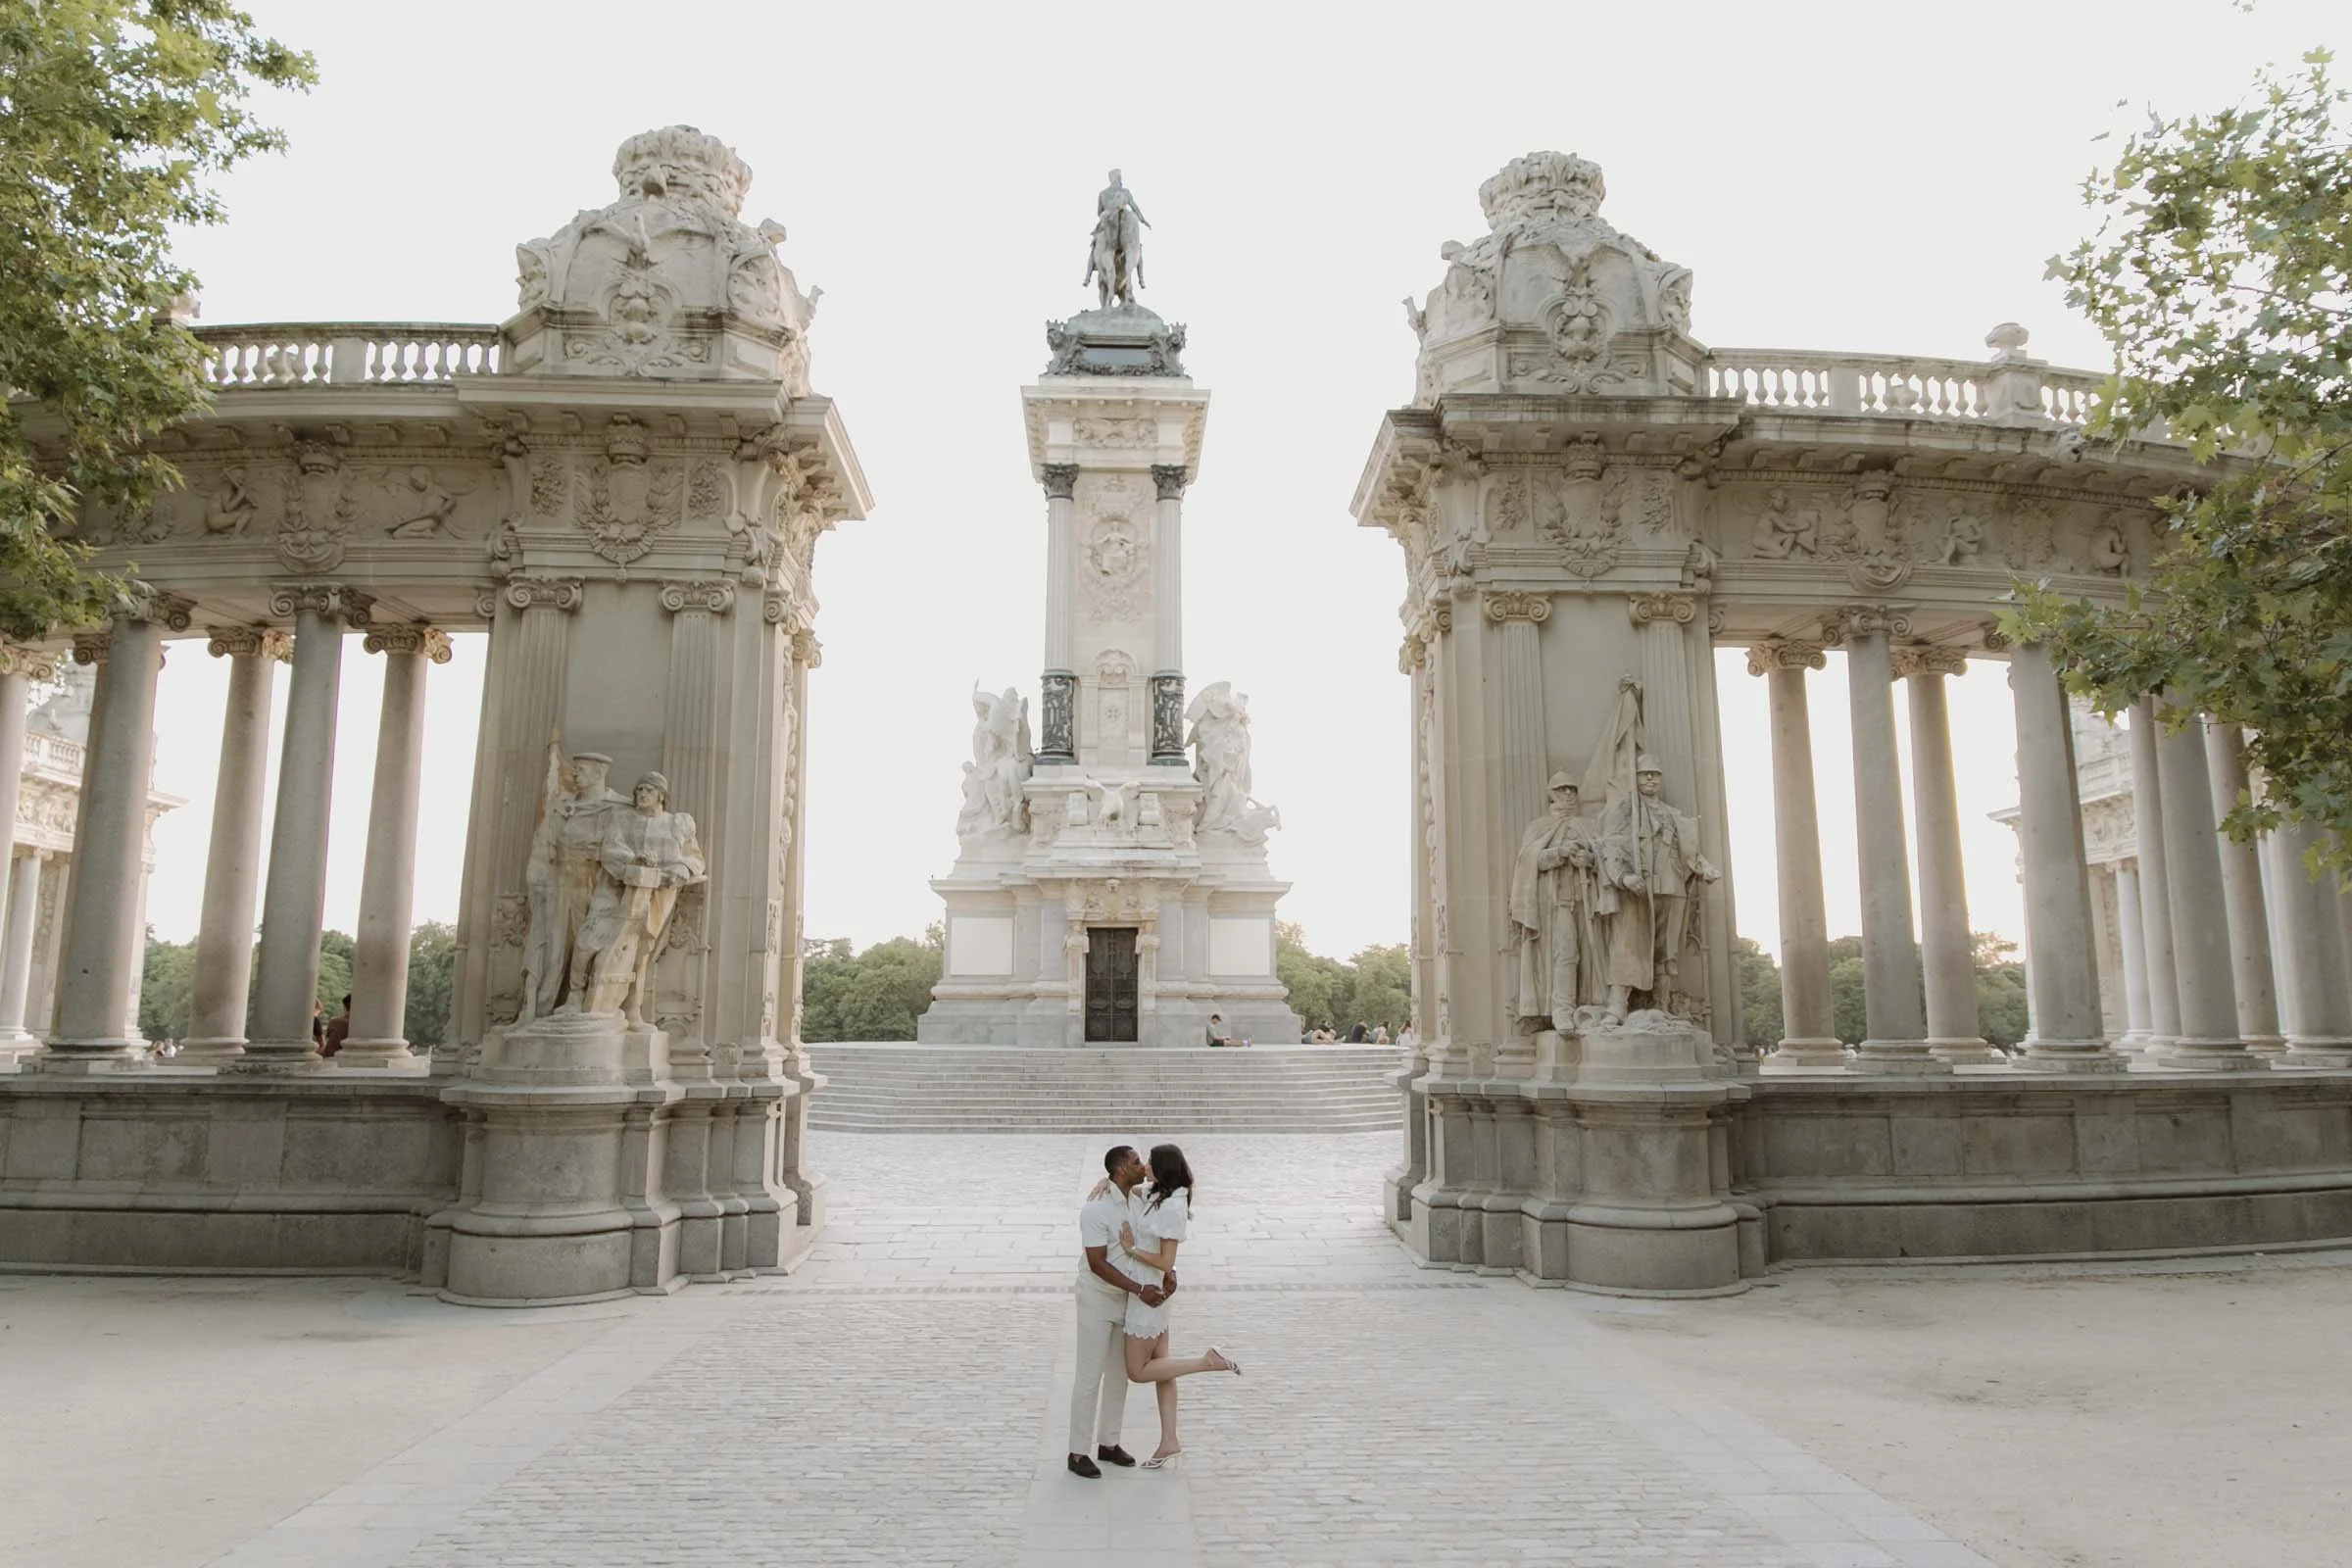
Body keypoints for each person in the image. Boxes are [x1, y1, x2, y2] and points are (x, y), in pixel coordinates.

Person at [1115, 1144, 1240, 1467]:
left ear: (1164, 1169)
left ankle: (1206, 1362)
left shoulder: (1172, 1207)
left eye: (1151, 1162)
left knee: (1137, 1371)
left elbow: (1167, 1260)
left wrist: (1131, 1250)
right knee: (1162, 1368)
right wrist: (1111, 1182)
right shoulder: (1162, 1194)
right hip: (1154, 1288)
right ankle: (1169, 1440)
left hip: (1148, 1290)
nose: (1145, 1167)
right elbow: (1139, 1192)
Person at [1068, 1145, 1168, 1480]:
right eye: (1136, 1161)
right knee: (1088, 1376)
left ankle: (1109, 1443)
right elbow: (1097, 1264)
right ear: (1120, 1169)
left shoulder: (1137, 1198)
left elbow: (1174, 1189)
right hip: (1098, 1299)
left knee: (1117, 1374)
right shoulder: (1095, 1209)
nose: (1143, 1166)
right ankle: (1077, 1451)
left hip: (1126, 1298)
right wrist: (1140, 1289)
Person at [321, 994, 352, 1058]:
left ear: (344, 1007)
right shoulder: (360, 1026)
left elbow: (330, 1043)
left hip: (329, 1057)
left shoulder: (334, 1022)